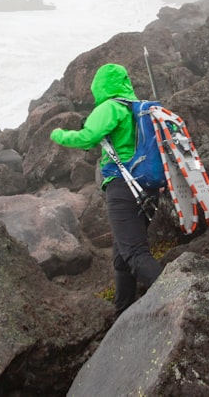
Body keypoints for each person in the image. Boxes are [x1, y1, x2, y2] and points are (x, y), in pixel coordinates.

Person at [50, 63, 163, 315]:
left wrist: (58, 134)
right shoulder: (138, 108)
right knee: (122, 254)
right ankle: (123, 310)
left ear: (100, 86)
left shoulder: (110, 107)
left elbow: (87, 138)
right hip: (148, 187)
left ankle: (179, 294)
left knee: (134, 253)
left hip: (124, 188)